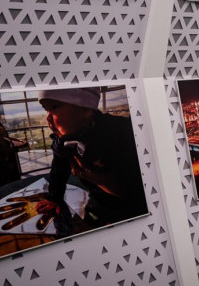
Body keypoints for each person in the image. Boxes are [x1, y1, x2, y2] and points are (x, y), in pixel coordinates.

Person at [36, 87, 148, 228]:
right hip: (96, 200)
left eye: (54, 107)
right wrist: (54, 197)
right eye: (46, 110)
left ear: (86, 109)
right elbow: (59, 167)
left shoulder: (124, 134)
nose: (47, 118)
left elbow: (142, 190)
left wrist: (100, 180)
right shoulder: (63, 140)